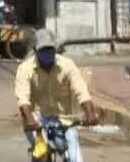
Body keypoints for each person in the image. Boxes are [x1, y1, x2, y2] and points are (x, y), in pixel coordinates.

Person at [15, 29, 98, 162]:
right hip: (36, 121)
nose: (47, 54)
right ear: (36, 51)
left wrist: (90, 114)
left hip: (64, 120)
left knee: (75, 158)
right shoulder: (25, 69)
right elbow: (22, 99)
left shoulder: (67, 65)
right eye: (43, 50)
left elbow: (81, 91)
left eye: (50, 49)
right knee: (41, 152)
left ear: (55, 49)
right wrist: (29, 119)